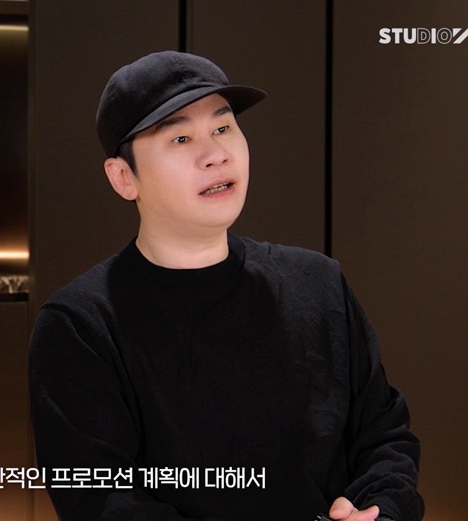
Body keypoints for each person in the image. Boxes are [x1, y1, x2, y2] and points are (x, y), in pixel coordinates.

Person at [28, 51, 424, 521]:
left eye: (222, 127)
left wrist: (380, 509)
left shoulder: (318, 283)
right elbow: (101, 499)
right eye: (180, 138)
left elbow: (384, 435)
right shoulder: (80, 325)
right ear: (123, 177)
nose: (216, 154)